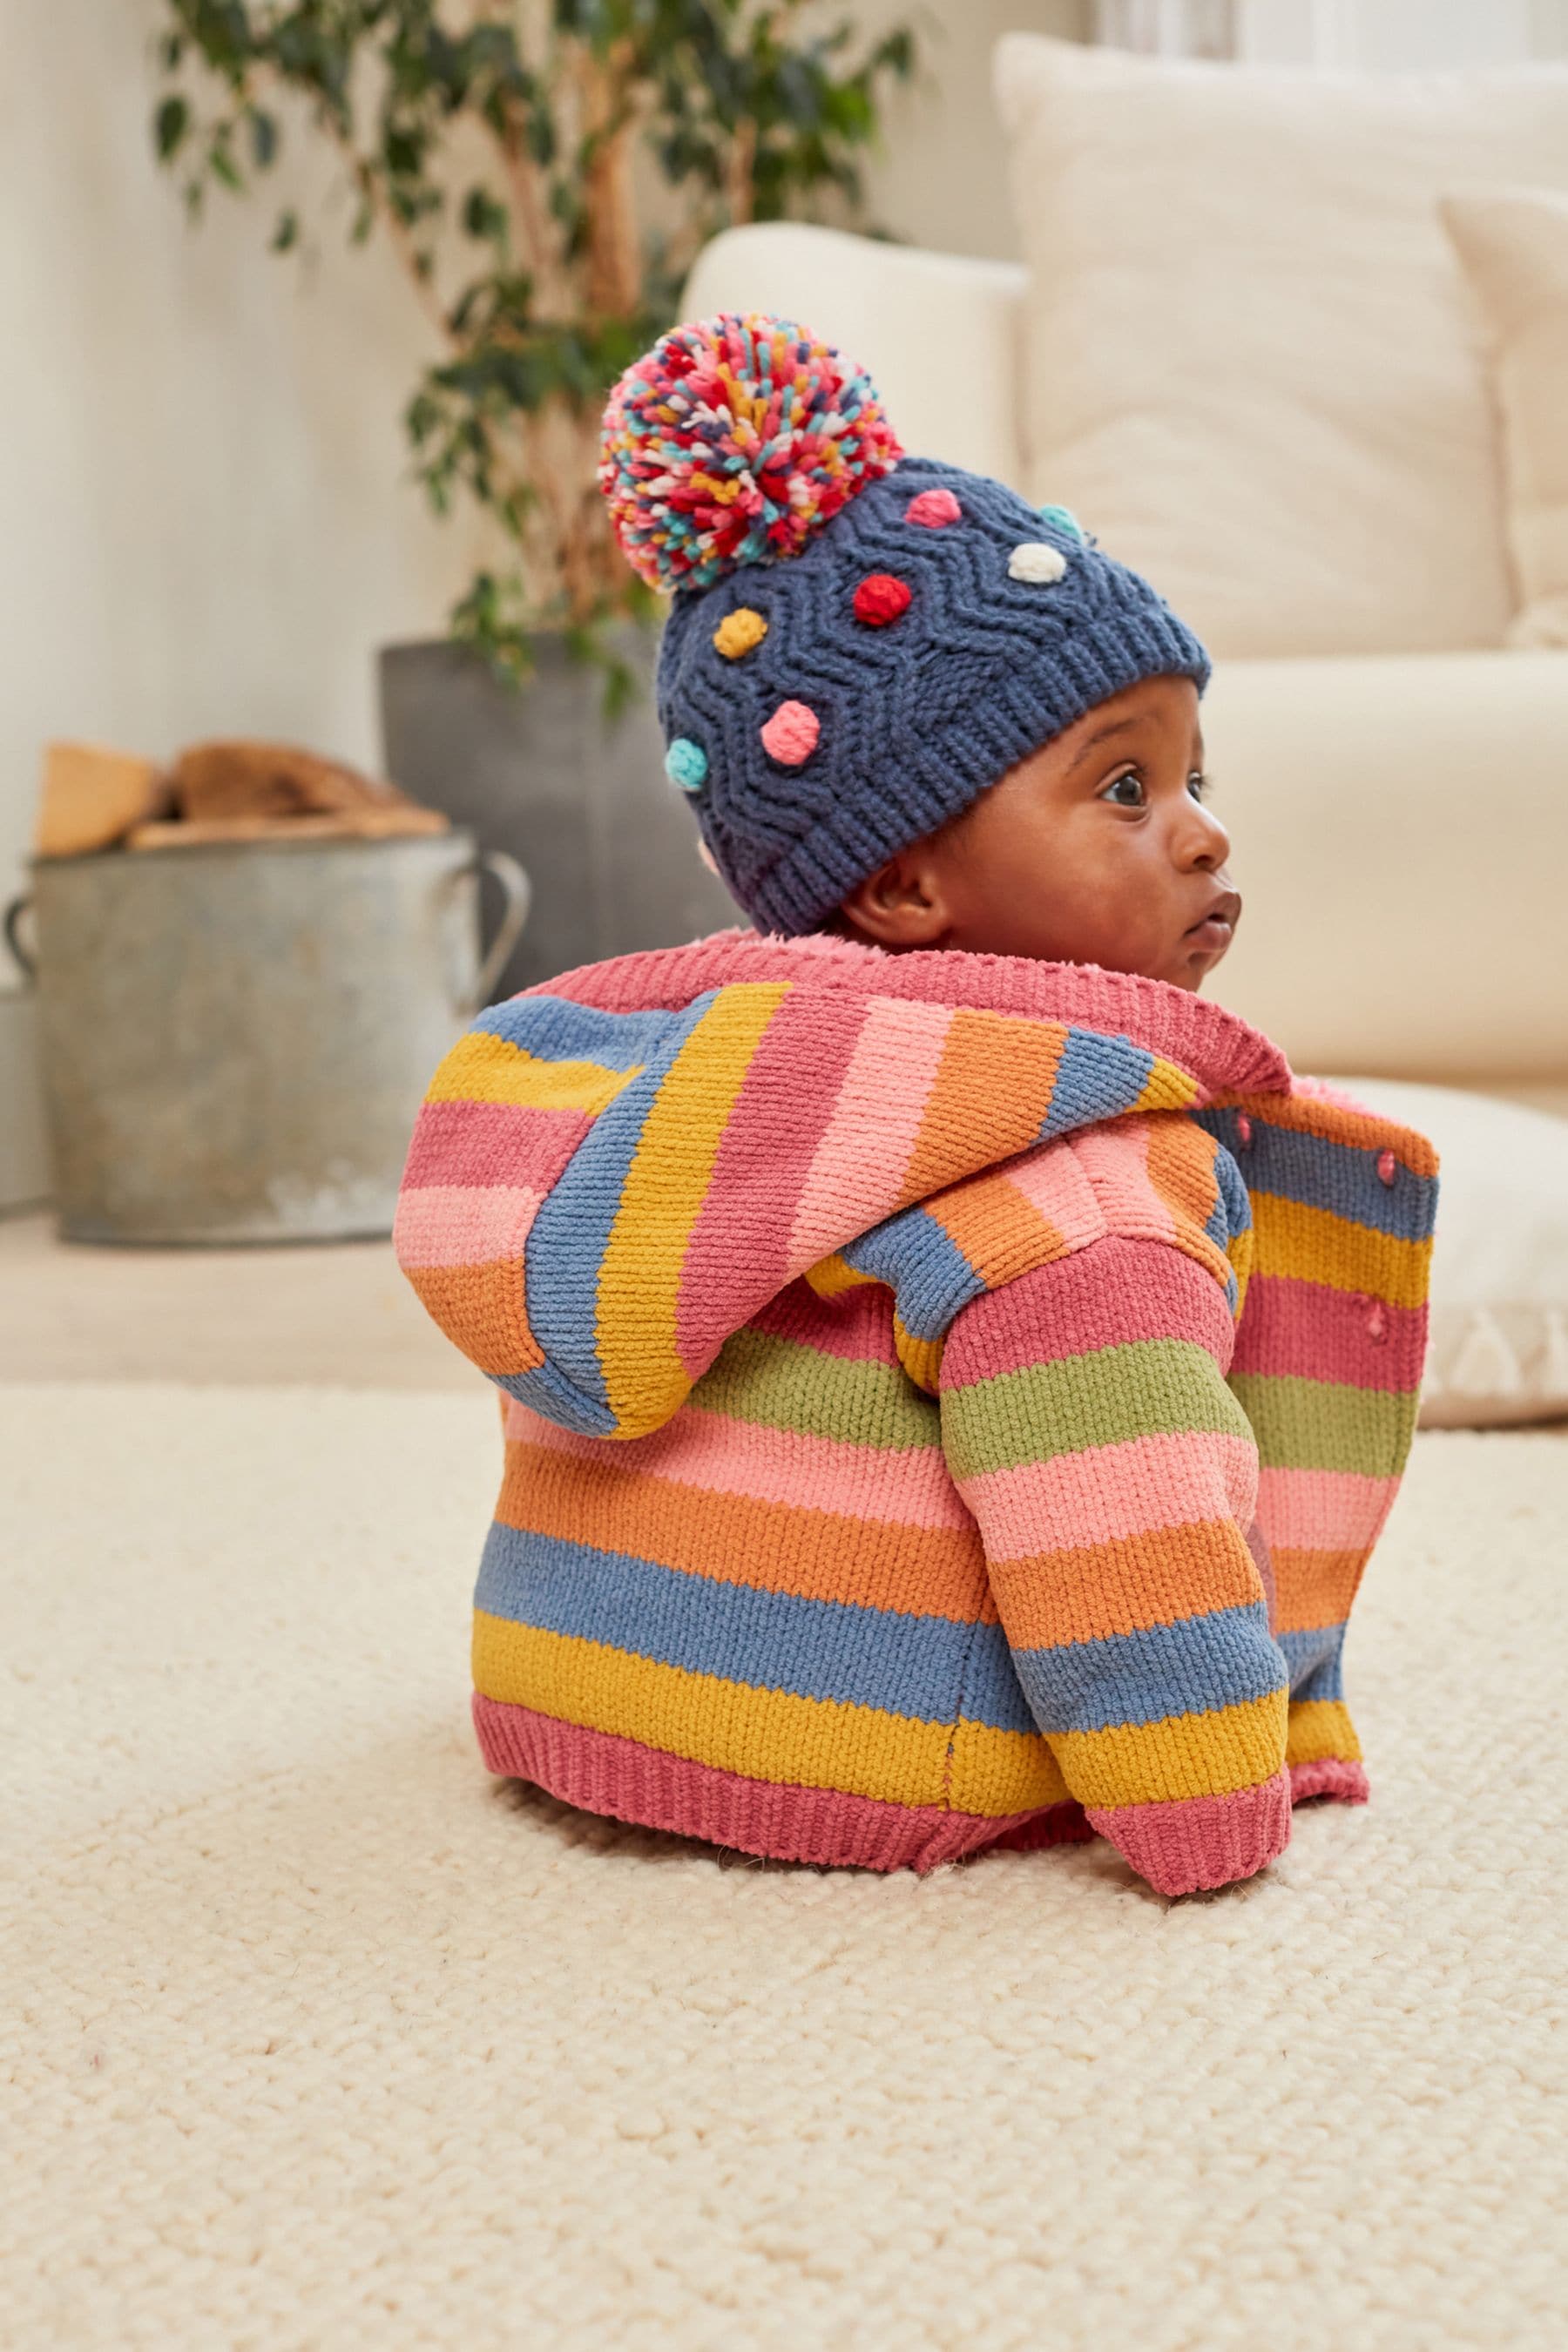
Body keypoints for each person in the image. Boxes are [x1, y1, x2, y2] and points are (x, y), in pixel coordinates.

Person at [396, 314, 1436, 1896]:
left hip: (579, 1700)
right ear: (897, 882)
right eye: (1124, 788)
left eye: (1198, 779)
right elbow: (1119, 1510)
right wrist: (1213, 1809)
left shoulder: (693, 1096)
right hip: (882, 1762)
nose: (1206, 836)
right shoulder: (1069, 1168)